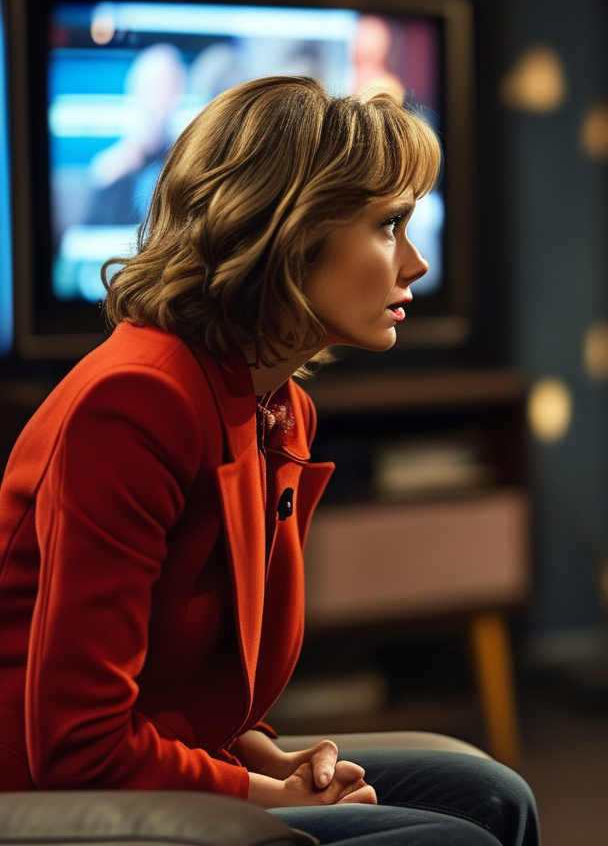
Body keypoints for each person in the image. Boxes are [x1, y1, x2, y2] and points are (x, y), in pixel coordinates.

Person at [0, 75, 538, 846]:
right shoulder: (134, 402)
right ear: (288, 231)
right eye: (390, 225)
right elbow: (78, 744)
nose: (417, 262)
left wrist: (270, 760)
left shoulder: (281, 406)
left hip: (159, 766)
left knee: (492, 798)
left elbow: (186, 682)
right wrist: (264, 794)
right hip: (53, 801)